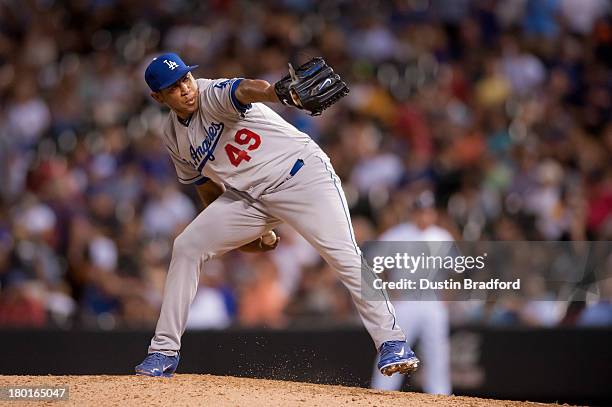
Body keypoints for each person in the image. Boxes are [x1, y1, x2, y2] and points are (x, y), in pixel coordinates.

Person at [134, 53, 419, 377]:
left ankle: (392, 342)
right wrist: (247, 236)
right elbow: (207, 190)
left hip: (302, 177)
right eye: (173, 87)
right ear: (158, 97)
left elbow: (246, 89)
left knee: (344, 256)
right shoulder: (173, 136)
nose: (185, 88)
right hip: (252, 198)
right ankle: (163, 352)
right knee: (187, 245)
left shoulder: (210, 93)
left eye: (185, 78)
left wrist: (276, 93)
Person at [370, 190, 452, 395]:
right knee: (393, 349)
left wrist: (447, 297)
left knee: (437, 353)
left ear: (434, 213)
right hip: (405, 303)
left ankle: (440, 396)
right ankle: (381, 394)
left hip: (432, 303)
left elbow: (455, 271)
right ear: (413, 213)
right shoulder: (397, 234)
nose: (425, 216)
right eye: (421, 211)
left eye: (429, 211)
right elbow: (373, 265)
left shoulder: (442, 236)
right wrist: (386, 291)